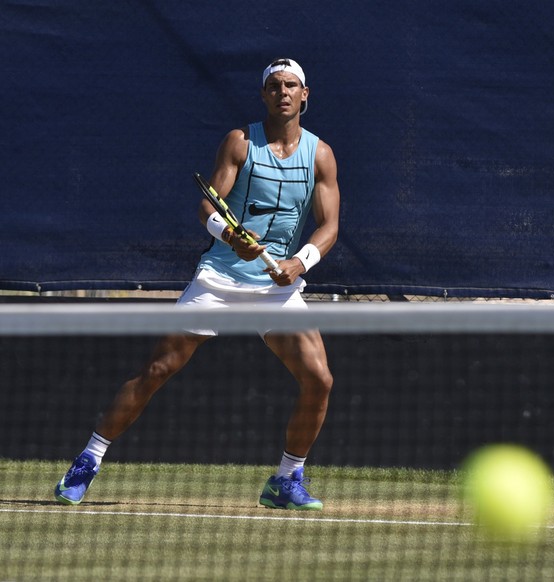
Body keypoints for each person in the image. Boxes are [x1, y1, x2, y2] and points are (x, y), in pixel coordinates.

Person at [54, 58, 340, 511]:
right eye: (273, 86)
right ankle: (88, 459)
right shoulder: (240, 143)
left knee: (319, 379)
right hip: (220, 278)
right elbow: (210, 205)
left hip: (278, 286)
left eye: (291, 86)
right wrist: (229, 236)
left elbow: (329, 228)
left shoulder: (321, 154)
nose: (282, 92)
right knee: (158, 370)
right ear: (263, 95)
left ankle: (286, 480)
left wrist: (299, 262)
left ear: (305, 95)